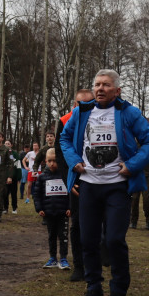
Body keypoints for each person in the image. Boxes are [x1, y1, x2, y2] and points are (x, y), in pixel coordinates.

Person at [60, 70, 149, 296]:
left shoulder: (129, 112)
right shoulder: (82, 112)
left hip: (117, 186)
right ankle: (93, 287)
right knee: (88, 240)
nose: (100, 89)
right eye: (97, 84)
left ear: (117, 90)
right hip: (89, 185)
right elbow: (65, 138)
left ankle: (118, 290)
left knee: (114, 239)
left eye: (106, 85)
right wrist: (74, 161)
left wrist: (132, 166)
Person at [55, 88, 95, 282]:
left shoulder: (102, 118)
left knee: (99, 223)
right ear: (74, 105)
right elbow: (61, 156)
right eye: (80, 104)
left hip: (100, 179)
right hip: (77, 182)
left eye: (89, 103)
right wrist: (68, 182)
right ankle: (79, 266)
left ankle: (95, 261)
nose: (85, 108)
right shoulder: (64, 122)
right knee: (77, 224)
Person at [33, 147, 71, 269]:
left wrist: (70, 207)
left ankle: (64, 258)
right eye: (49, 161)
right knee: (52, 236)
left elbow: (71, 193)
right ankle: (52, 258)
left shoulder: (65, 176)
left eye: (55, 160)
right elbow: (37, 194)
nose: (52, 163)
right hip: (49, 213)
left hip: (63, 213)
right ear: (45, 161)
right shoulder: (42, 177)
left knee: (63, 236)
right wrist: (39, 208)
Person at [130, 154, 149, 231]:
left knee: (146, 199)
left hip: (148, 178)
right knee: (134, 199)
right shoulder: (135, 149)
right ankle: (133, 221)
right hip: (136, 177)